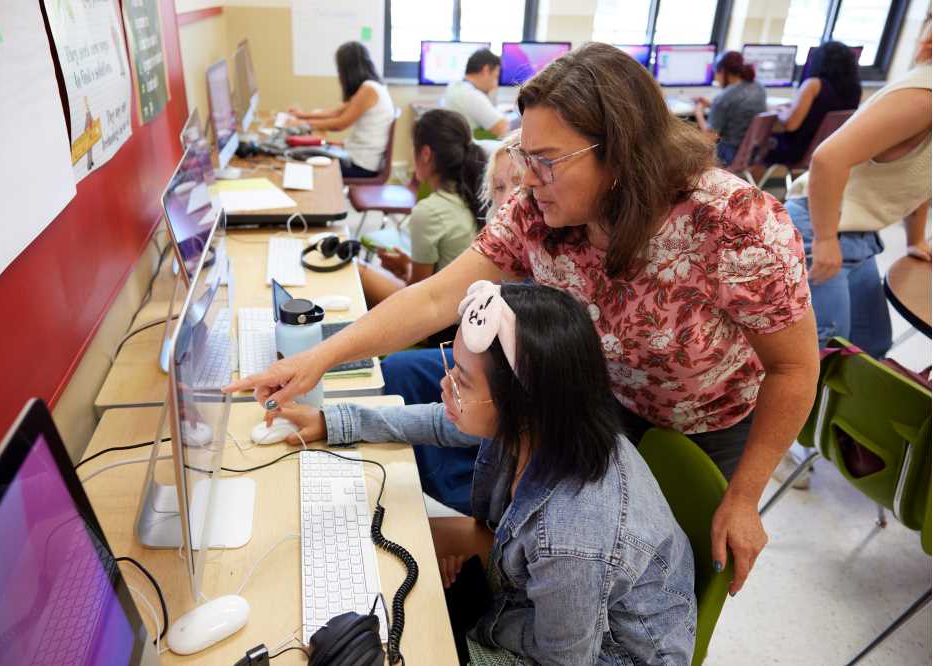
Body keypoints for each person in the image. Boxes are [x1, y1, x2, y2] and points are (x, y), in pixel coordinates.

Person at [226, 43, 820, 597]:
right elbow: (436, 299)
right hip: (599, 404)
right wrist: (319, 356)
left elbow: (793, 366)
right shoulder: (541, 210)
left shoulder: (736, 226)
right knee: (567, 561)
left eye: (546, 160)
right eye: (526, 159)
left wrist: (746, 495)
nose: (529, 178)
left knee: (651, 583)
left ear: (622, 151)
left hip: (707, 421)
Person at [268, 281, 696, 665]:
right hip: (559, 608)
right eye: (451, 368)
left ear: (519, 403)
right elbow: (443, 421)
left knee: (423, 634)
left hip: (610, 653)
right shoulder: (546, 423)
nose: (445, 385)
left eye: (462, 382)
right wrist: (332, 422)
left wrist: (481, 614)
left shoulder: (572, 535)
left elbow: (563, 656)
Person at [773, 15, 932, 488]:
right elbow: (827, 157)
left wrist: (916, 237)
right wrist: (823, 239)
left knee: (870, 346)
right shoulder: (923, 97)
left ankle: (824, 434)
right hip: (819, 225)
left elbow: (922, 180)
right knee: (818, 352)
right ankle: (785, 444)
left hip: (857, 236)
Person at [377, 130, 523, 516]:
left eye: (519, 183)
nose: (509, 198)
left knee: (453, 398)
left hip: (503, 372)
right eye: (500, 187)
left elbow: (427, 295)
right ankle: (425, 482)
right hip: (475, 348)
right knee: (399, 370)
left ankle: (451, 497)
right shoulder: (503, 238)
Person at [359, 109, 486, 308]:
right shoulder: (475, 196)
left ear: (425, 154)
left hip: (441, 320)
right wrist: (409, 266)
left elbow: (417, 295)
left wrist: (407, 273)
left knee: (357, 271)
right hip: (472, 312)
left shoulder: (429, 211)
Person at [286, 42, 394, 178]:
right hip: (358, 156)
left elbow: (340, 124)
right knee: (302, 152)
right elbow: (336, 112)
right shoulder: (371, 86)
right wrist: (301, 116)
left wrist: (303, 125)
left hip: (361, 165)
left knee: (295, 160)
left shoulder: (369, 89)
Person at [764, 41, 861, 166]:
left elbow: (791, 125)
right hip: (830, 149)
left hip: (799, 150)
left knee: (761, 143)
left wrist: (781, 112)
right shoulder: (856, 89)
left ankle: (748, 184)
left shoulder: (813, 85)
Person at [694, 51, 767, 166]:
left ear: (722, 71)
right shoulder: (758, 87)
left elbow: (709, 137)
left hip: (729, 155)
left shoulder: (723, 98)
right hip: (753, 154)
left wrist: (698, 113)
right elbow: (738, 109)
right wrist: (712, 105)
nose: (716, 78)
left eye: (716, 73)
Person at [444, 49, 510, 138]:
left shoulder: (455, 86)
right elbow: (503, 129)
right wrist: (492, 94)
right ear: (486, 70)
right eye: (496, 77)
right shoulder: (471, 95)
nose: (495, 83)